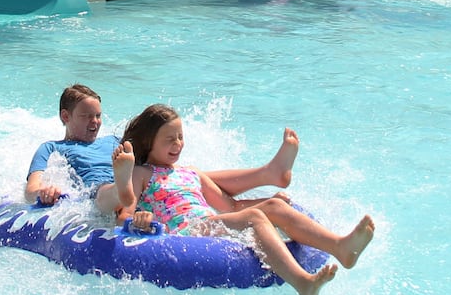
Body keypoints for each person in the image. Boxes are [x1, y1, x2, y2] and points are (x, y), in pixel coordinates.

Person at [122, 103, 375, 295]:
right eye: (169, 139)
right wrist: (138, 221)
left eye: (180, 137)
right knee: (254, 217)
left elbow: (230, 206)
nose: (178, 144)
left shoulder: (192, 173)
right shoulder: (141, 173)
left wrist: (270, 204)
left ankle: (340, 246)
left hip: (209, 223)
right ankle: (303, 284)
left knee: (273, 206)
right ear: (148, 142)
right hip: (188, 233)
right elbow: (125, 210)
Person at [25, 84, 298, 221]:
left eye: (98, 115)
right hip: (101, 192)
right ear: (65, 116)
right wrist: (43, 192)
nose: (95, 122)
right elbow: (31, 188)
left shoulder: (113, 141)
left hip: (141, 180)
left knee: (186, 176)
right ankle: (123, 190)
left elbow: (151, 160)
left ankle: (269, 173)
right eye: (86, 116)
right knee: (111, 187)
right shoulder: (53, 148)